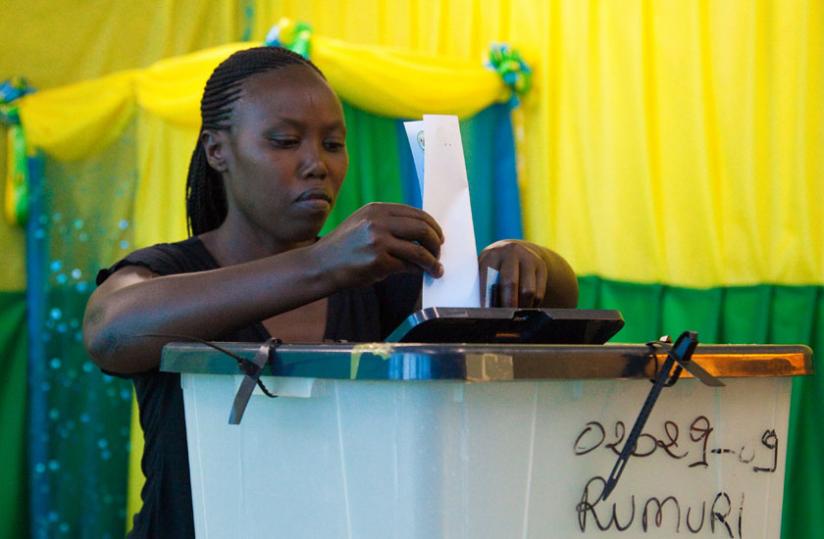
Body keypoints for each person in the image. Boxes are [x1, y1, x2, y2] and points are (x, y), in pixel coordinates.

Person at [83, 46, 578, 538]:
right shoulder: (171, 272)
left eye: (333, 145)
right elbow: (111, 332)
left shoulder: (380, 282)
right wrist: (322, 265)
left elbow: (560, 296)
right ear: (217, 150)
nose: (315, 164)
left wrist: (519, 255)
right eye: (284, 141)